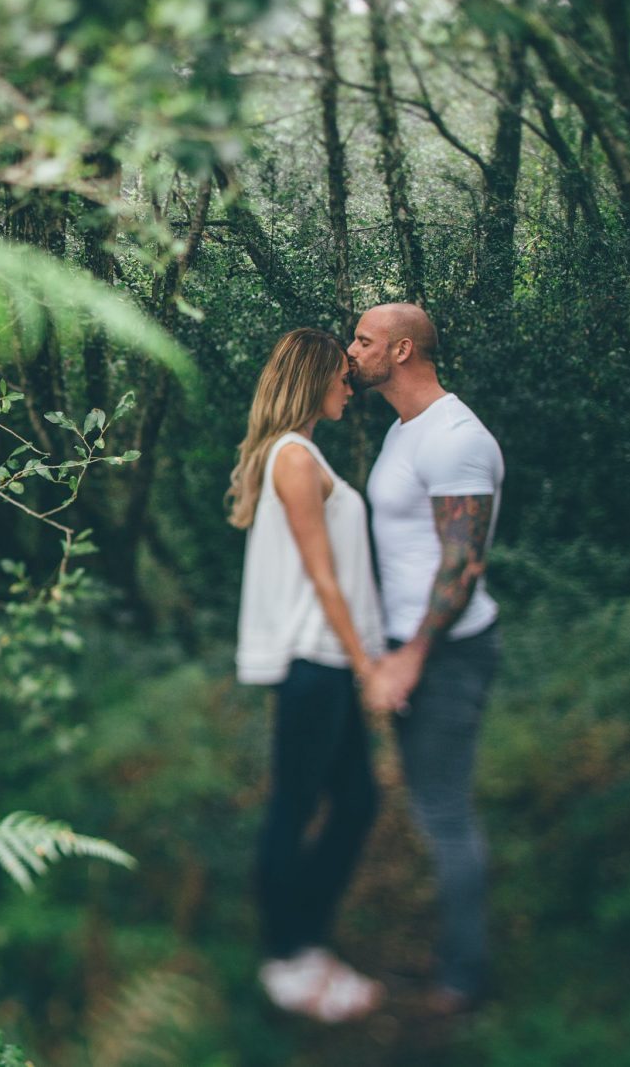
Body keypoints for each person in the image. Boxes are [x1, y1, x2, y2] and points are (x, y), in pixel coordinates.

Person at [348, 303, 505, 1015]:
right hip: (411, 645)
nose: (352, 350)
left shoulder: (455, 438)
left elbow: (462, 562)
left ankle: (463, 977)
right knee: (427, 800)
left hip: (445, 651)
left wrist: (411, 655)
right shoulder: (404, 427)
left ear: (403, 350)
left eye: (364, 340)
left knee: (444, 811)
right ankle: (447, 949)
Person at [229, 327, 387, 1023]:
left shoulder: (297, 453)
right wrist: (367, 665)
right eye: (342, 377)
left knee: (355, 802)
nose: (349, 387)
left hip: (327, 664)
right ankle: (286, 956)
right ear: (315, 377)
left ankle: (307, 938)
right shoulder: (294, 457)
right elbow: (322, 575)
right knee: (296, 806)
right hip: (317, 662)